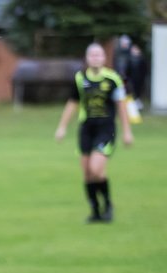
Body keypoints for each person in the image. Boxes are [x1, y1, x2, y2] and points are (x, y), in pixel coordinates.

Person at [54, 43, 134, 223]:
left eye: (99, 55)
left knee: (96, 169)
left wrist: (127, 132)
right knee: (87, 173)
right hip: (86, 129)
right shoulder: (80, 78)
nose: (96, 58)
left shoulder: (113, 79)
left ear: (104, 58)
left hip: (106, 129)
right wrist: (62, 127)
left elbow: (121, 107)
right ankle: (96, 212)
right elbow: (73, 103)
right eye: (92, 55)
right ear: (87, 58)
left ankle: (108, 205)